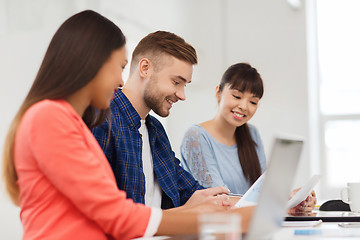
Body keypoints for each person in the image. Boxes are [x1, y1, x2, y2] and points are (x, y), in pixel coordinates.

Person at [2, 11, 254, 240]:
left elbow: (117, 211)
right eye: (120, 67)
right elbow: (116, 215)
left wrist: (211, 209)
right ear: (91, 64)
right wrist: (213, 218)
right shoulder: (51, 118)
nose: (121, 79)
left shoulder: (72, 123)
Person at [92, 30, 222, 209]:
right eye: (176, 82)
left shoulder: (156, 130)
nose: (182, 95)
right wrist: (182, 214)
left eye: (185, 85)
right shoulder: (101, 120)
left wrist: (238, 203)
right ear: (145, 68)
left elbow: (192, 192)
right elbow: (103, 210)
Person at [180, 62, 316, 211]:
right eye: (237, 96)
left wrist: (290, 199)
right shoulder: (196, 137)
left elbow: (262, 190)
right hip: (216, 227)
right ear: (218, 92)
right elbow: (218, 200)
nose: (244, 106)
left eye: (253, 101)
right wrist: (278, 205)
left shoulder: (252, 134)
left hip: (248, 224)